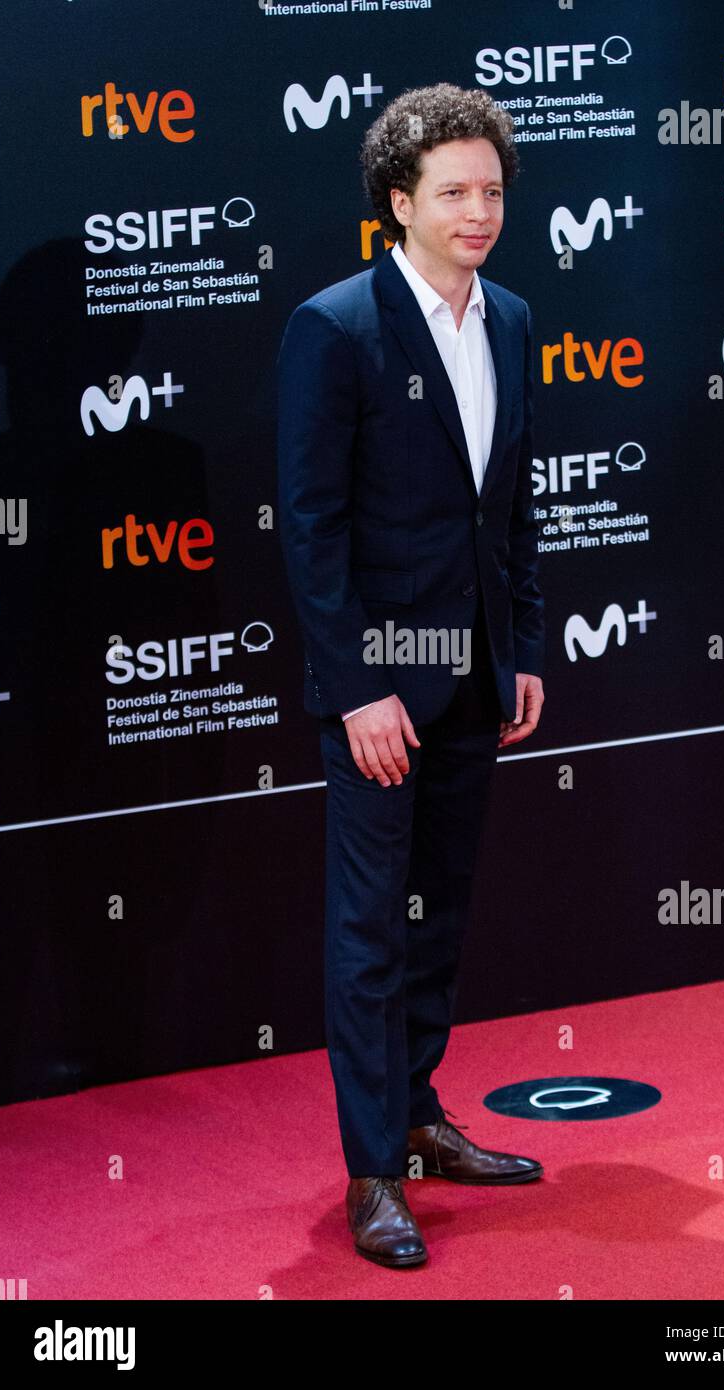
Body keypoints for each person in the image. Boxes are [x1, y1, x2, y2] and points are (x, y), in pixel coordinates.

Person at [276, 82, 546, 1268]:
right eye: (454, 192)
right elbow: (310, 524)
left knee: (437, 918)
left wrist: (520, 649)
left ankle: (424, 1120)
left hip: (476, 679)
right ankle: (373, 1169)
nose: (478, 210)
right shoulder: (334, 328)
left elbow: (512, 510)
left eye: (490, 191)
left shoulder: (516, 321)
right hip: (381, 690)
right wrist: (355, 683)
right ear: (401, 201)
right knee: (370, 928)